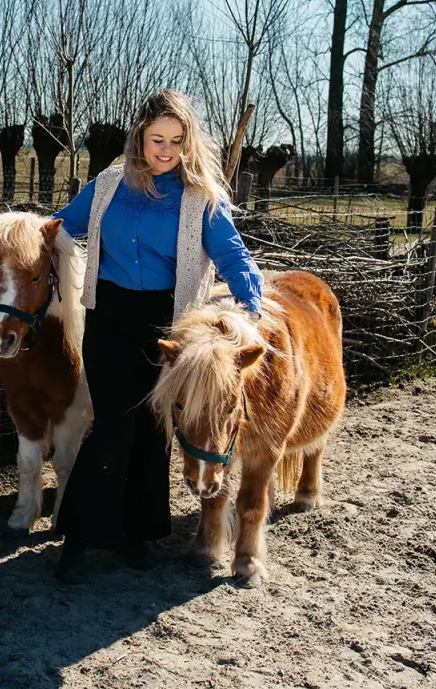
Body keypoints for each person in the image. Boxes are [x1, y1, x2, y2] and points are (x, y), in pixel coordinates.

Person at [51, 89, 263, 584]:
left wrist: (249, 309)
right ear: (139, 139)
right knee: (112, 426)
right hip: (108, 318)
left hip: (168, 327)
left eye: (176, 140)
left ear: (188, 143)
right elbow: (62, 226)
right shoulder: (108, 185)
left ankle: (138, 537)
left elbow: (233, 256)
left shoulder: (199, 199)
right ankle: (81, 541)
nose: (165, 150)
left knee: (153, 431)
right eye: (156, 140)